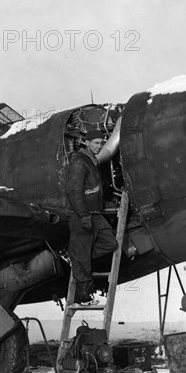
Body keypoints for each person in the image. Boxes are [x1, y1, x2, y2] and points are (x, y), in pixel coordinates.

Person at [66, 129, 118, 304]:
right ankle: (83, 297)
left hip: (94, 213)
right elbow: (74, 192)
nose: (99, 146)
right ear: (86, 143)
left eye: (101, 143)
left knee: (110, 243)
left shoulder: (91, 160)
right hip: (82, 215)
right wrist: (83, 215)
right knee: (82, 259)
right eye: (95, 143)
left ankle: (74, 256)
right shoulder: (79, 162)